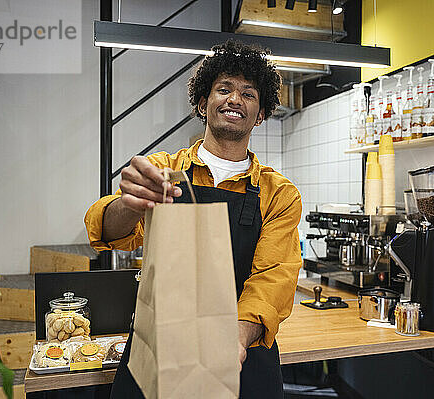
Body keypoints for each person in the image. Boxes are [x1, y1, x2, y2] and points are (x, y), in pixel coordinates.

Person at [84, 40, 302, 399]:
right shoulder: (165, 170)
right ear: (203, 103)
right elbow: (106, 230)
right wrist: (130, 204)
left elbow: (273, 278)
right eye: (224, 89)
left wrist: (234, 339)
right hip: (162, 344)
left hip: (241, 352)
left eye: (249, 94)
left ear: (261, 114)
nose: (235, 99)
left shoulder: (278, 193)